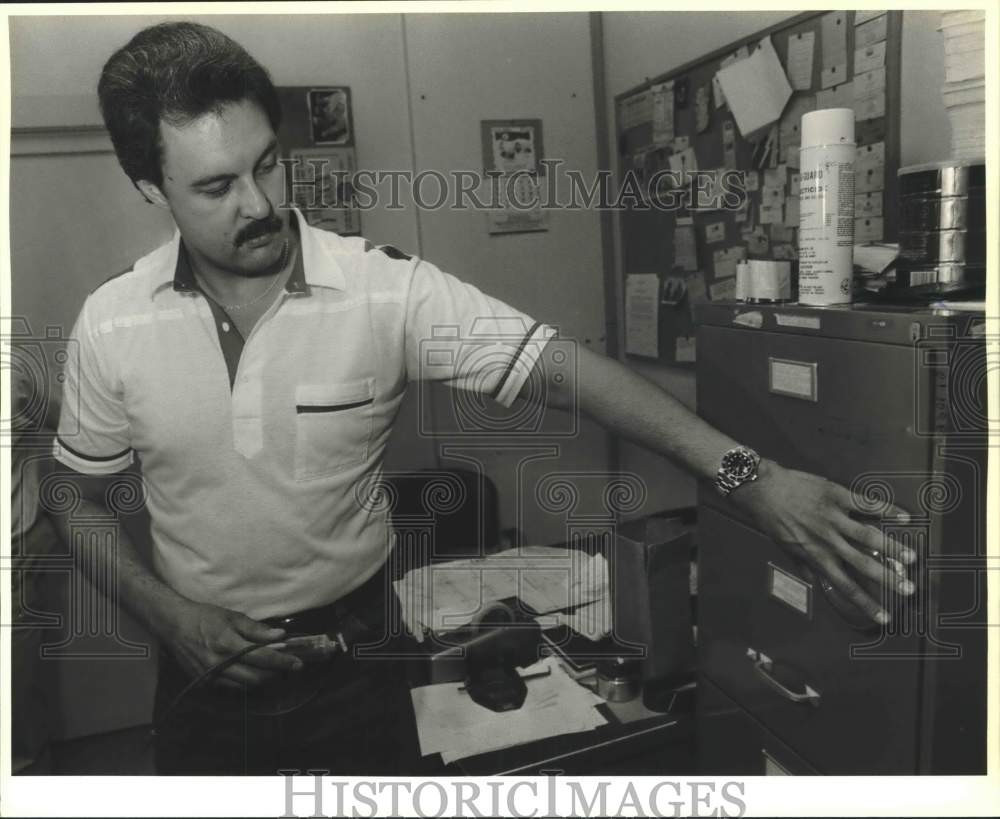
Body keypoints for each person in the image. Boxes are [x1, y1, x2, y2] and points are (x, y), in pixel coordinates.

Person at [51, 21, 914, 775]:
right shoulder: (109, 323)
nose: (262, 203)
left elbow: (559, 366)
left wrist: (747, 472)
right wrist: (168, 614)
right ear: (150, 190)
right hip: (200, 680)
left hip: (360, 670)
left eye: (269, 164)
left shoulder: (384, 290)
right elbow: (71, 491)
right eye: (215, 187)